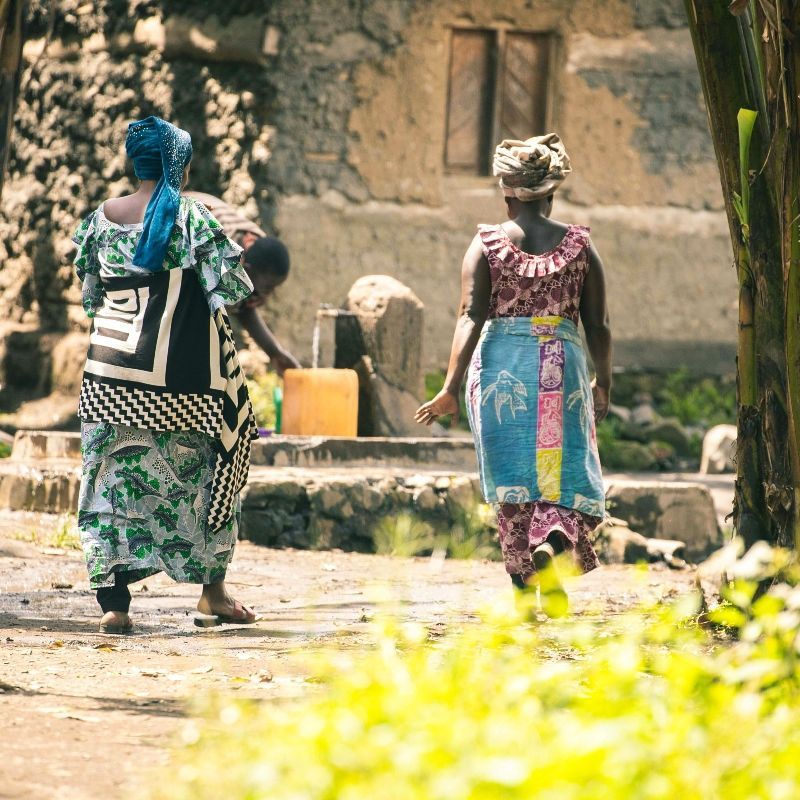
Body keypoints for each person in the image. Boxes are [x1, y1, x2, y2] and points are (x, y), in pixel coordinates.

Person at [73, 116, 259, 633]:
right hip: (186, 385)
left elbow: (92, 298)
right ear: (178, 163)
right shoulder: (192, 218)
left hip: (109, 382)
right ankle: (212, 593)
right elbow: (235, 290)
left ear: (135, 163)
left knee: (107, 485)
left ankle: (114, 604)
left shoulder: (98, 221)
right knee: (209, 471)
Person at [415, 134, 611, 617]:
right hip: (561, 370)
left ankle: (524, 593)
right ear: (551, 193)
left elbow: (469, 315)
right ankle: (553, 546)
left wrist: (449, 388)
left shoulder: (485, 246)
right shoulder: (581, 247)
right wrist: (602, 381)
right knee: (563, 476)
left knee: (513, 483)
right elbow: (599, 324)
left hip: (502, 371)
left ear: (507, 191)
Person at [184, 190, 301, 375]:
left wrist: (275, 352)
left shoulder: (259, 248)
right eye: (267, 288)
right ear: (247, 267)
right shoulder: (221, 252)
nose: (267, 296)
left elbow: (244, 306)